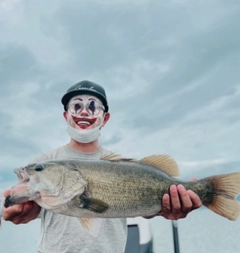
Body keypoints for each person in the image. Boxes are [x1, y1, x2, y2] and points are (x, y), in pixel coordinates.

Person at [2, 80, 202, 253]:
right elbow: (31, 207)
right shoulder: (46, 159)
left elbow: (144, 208)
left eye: (93, 107)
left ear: (105, 118)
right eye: (76, 106)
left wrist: (165, 208)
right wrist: (18, 212)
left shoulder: (123, 165)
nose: (84, 112)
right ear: (66, 116)